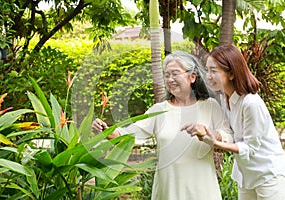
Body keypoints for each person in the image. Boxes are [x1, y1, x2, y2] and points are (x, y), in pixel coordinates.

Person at [92, 51, 233, 200]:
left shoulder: (210, 106)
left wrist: (205, 132)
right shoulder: (159, 110)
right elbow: (130, 134)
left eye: (175, 74)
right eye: (167, 75)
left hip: (203, 190)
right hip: (169, 190)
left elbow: (228, 137)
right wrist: (107, 131)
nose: (170, 79)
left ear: (192, 77)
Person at [188, 44, 285, 200]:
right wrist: (211, 133)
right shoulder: (224, 98)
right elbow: (232, 134)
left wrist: (216, 143)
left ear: (231, 74)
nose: (208, 76)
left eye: (214, 71)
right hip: (246, 175)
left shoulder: (251, 103)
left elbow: (251, 147)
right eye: (207, 69)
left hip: (269, 174)